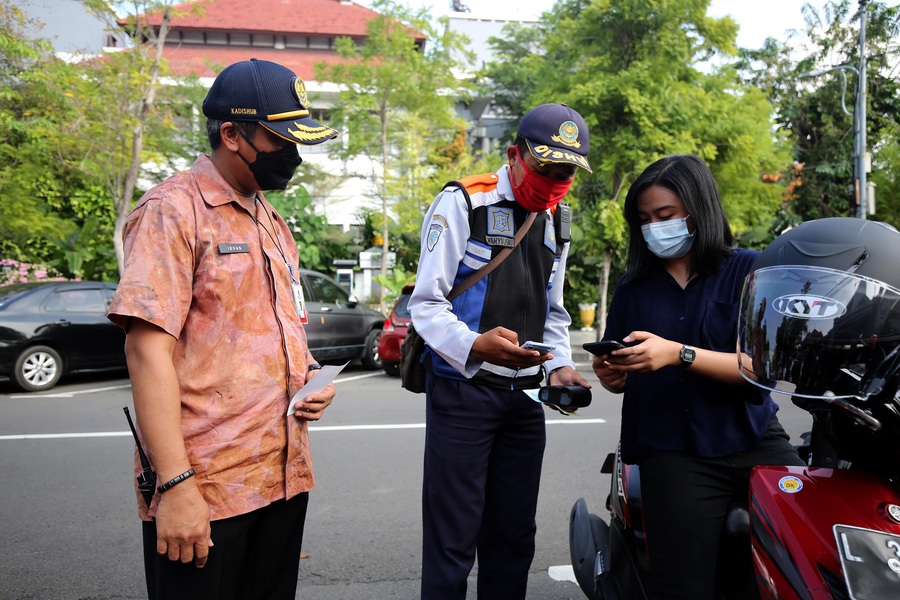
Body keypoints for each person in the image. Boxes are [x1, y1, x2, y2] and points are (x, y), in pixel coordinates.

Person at [108, 58, 339, 600]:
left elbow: (272, 331)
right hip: (205, 488)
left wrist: (309, 381)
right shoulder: (173, 211)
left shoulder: (271, 219)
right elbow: (146, 352)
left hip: (280, 481)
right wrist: (176, 486)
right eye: (281, 139)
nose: (294, 155)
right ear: (232, 134)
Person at [591, 154, 805, 599]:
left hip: (753, 435)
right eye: (645, 219)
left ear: (698, 210)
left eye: (665, 216)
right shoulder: (633, 286)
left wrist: (679, 354)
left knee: (799, 563)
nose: (654, 227)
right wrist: (614, 374)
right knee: (683, 587)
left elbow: (760, 371)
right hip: (671, 449)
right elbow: (622, 368)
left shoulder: (749, 271)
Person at [408, 103, 593, 599]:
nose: (554, 183)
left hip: (525, 398)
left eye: (566, 174)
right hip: (463, 391)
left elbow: (554, 313)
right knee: (453, 541)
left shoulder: (556, 218)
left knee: (513, 536)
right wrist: (475, 346)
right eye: (545, 168)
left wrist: (561, 367)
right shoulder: (464, 202)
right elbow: (425, 304)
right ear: (514, 154)